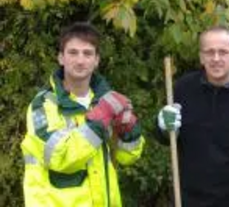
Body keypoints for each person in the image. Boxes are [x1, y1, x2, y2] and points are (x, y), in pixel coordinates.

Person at [21, 22, 145, 206]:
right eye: (73, 52)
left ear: (96, 61)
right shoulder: (43, 106)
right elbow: (58, 157)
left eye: (87, 53)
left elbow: (128, 157)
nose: (80, 60)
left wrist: (129, 132)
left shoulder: (105, 101)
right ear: (61, 58)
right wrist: (99, 120)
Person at [155, 26, 229, 207]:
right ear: (201, 57)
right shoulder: (183, 89)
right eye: (209, 52)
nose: (216, 58)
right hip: (190, 200)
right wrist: (163, 127)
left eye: (223, 52)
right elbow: (168, 139)